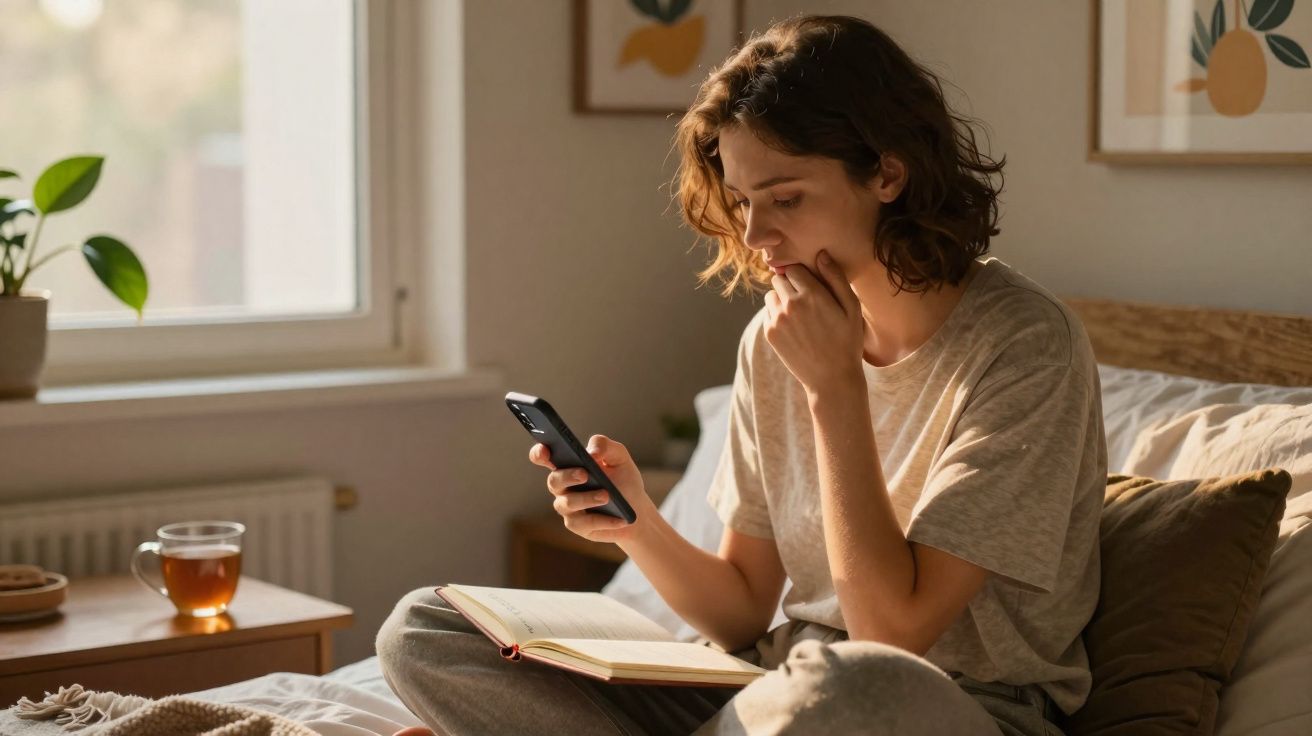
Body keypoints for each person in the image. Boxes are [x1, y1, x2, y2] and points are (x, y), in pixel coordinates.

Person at [376, 13, 1105, 736]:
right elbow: (744, 610)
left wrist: (834, 389)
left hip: (936, 704)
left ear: (888, 173)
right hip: (767, 689)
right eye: (744, 202)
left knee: (852, 684)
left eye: (786, 199)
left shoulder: (1026, 344)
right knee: (427, 628)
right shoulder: (774, 339)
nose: (756, 236)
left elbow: (891, 637)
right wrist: (637, 523)